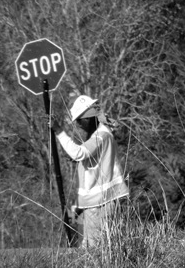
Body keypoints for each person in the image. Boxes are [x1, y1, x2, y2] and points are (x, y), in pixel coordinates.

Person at [50, 95, 129, 247]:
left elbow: (78, 153)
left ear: (87, 118)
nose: (78, 125)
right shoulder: (100, 136)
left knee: (94, 249)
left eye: (79, 120)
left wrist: (59, 130)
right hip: (98, 203)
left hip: (102, 204)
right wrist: (77, 208)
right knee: (97, 248)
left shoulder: (101, 136)